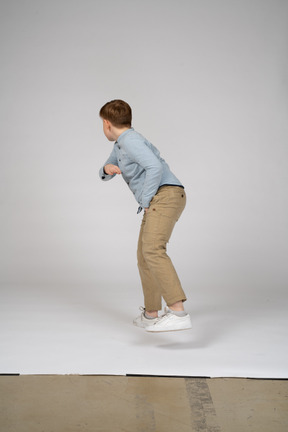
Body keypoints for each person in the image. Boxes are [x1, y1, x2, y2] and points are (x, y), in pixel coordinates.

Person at [99, 99, 191, 332]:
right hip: (162, 196)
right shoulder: (122, 143)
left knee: (152, 250)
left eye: (101, 123)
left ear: (107, 123)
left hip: (165, 195)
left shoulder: (130, 140)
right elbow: (108, 168)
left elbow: (154, 167)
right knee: (144, 255)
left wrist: (146, 200)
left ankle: (178, 313)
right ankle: (151, 314)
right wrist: (106, 170)